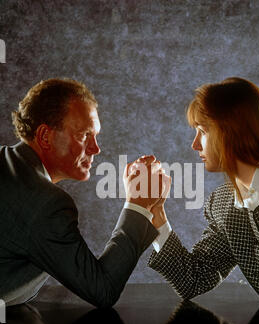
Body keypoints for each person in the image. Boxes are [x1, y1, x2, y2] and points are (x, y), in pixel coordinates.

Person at [147, 77, 259, 324]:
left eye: (203, 131)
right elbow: (193, 278)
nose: (195, 144)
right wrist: (155, 211)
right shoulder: (225, 206)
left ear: (232, 130)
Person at [0, 78, 169, 308]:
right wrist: (138, 205)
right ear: (44, 137)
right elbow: (103, 289)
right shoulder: (45, 204)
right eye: (84, 135)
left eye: (95, 136)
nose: (95, 148)